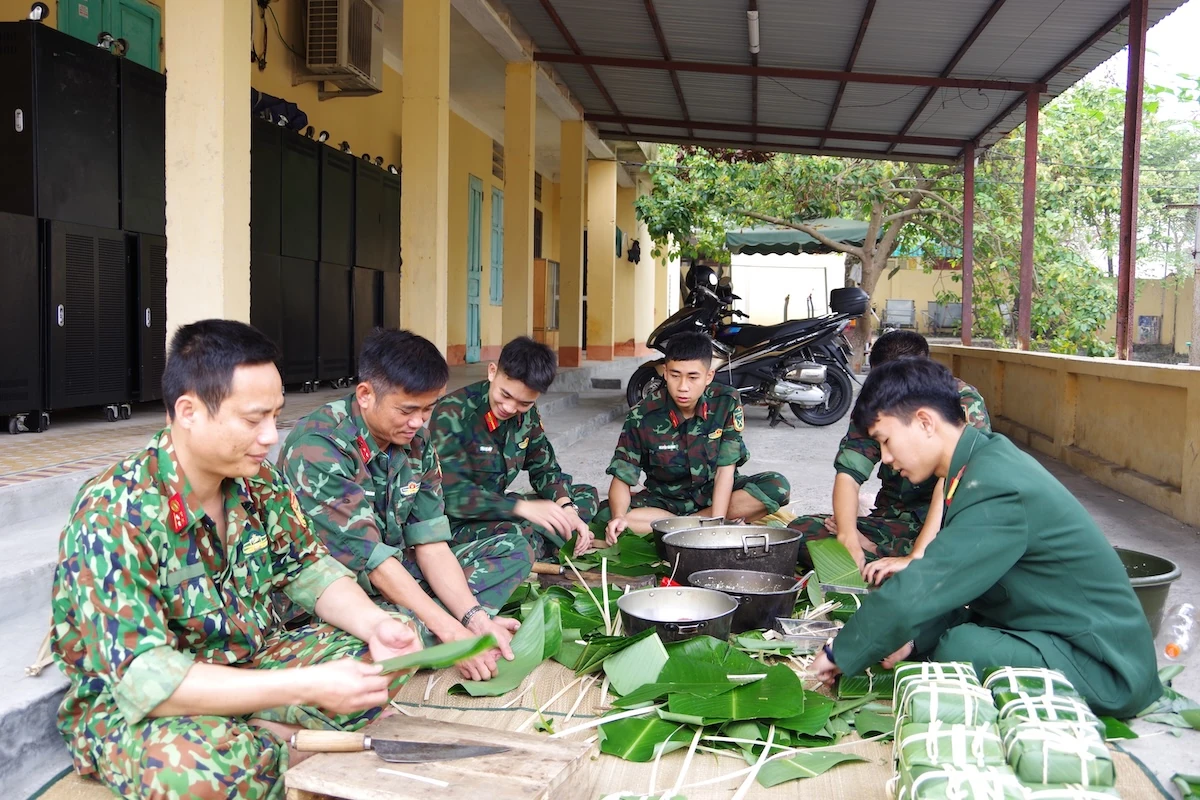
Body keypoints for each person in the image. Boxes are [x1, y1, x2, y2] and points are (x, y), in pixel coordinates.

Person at [50, 320, 422, 799]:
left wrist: (375, 625)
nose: (270, 436)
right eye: (253, 420)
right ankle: (281, 741)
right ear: (189, 411)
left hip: (251, 663)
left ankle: (269, 740)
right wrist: (304, 687)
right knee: (186, 771)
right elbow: (146, 680)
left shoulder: (257, 480)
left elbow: (309, 569)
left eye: (275, 416)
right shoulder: (114, 511)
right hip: (145, 704)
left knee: (387, 649)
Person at [808, 357, 1161, 718]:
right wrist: (912, 639)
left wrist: (840, 652)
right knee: (940, 633)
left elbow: (928, 583)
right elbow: (964, 588)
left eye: (886, 440)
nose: (885, 458)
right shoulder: (980, 463)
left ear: (925, 422)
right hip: (1050, 633)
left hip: (1106, 670)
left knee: (959, 648)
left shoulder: (995, 484)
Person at [280, 329, 532, 684]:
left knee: (513, 548)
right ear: (366, 395)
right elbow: (372, 561)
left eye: (428, 409)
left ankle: (419, 632)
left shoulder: (416, 443)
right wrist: (453, 633)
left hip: (396, 574)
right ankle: (413, 633)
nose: (418, 422)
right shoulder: (319, 447)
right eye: (407, 410)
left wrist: (473, 619)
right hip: (337, 593)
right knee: (375, 644)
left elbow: (431, 544)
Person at [788, 330, 990, 585]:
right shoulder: (876, 401)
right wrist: (849, 537)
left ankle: (894, 565)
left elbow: (952, 478)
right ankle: (892, 567)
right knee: (801, 532)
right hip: (894, 521)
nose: (886, 457)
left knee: (964, 553)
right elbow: (849, 472)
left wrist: (914, 554)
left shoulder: (959, 401)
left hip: (943, 525)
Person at [598, 332, 791, 544]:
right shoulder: (642, 415)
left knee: (777, 486)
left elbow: (725, 471)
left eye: (693, 377)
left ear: (708, 376)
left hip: (716, 497)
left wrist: (716, 525)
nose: (683, 386)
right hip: (665, 502)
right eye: (675, 375)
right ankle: (693, 526)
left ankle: (681, 528)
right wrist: (619, 516)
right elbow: (622, 477)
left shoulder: (726, 402)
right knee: (607, 516)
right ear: (665, 372)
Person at [429, 336, 598, 559]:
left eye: (524, 403)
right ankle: (550, 540)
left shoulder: (527, 415)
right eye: (505, 395)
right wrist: (520, 508)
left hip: (503, 507)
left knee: (584, 495)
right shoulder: (453, 413)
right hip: (460, 521)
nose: (509, 408)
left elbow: (544, 468)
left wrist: (567, 509)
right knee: (518, 537)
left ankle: (556, 533)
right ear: (492, 372)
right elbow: (452, 495)